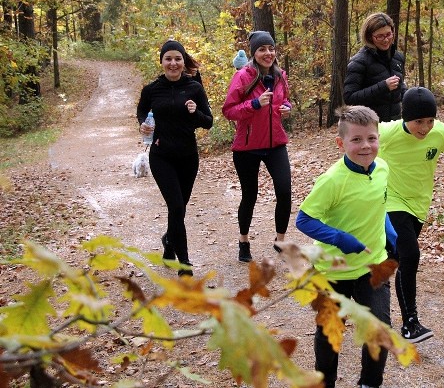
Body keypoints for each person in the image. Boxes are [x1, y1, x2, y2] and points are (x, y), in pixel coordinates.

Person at [296, 105, 397, 388]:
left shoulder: (383, 169)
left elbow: (380, 206)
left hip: (372, 265)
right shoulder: (332, 180)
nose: (366, 146)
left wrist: (392, 236)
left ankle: (369, 383)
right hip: (332, 270)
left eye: (371, 138)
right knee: (331, 331)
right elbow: (304, 220)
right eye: (356, 140)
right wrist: (341, 238)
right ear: (341, 143)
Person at [378, 86, 444, 343]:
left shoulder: (439, 132)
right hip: (390, 201)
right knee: (409, 254)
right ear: (404, 117)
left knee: (389, 259)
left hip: (419, 205)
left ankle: (360, 294)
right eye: (418, 121)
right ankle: (410, 323)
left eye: (430, 120)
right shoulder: (386, 133)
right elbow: (358, 141)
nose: (425, 127)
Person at [137, 40, 213, 277]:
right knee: (176, 206)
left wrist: (194, 111)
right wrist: (143, 126)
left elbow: (207, 122)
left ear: (183, 62)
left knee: (178, 210)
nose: (173, 63)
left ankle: (169, 242)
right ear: (161, 61)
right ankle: (185, 263)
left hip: (188, 157)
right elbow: (141, 112)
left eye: (177, 59)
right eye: (168, 58)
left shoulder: (194, 88)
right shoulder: (151, 90)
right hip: (161, 156)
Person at [223, 31, 293, 263]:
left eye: (271, 48)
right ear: (254, 53)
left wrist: (286, 107)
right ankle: (244, 241)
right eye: (262, 49)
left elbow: (285, 99)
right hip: (247, 147)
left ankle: (280, 240)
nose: (268, 53)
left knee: (284, 191)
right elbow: (229, 110)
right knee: (250, 195)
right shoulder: (243, 76)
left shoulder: (280, 75)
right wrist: (254, 104)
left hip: (275, 144)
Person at [343, 12, 407, 122]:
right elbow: (349, 98)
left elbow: (400, 89)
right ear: (370, 37)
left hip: (395, 124)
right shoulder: (359, 62)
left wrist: (413, 96)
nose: (386, 40)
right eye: (380, 36)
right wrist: (383, 86)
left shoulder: (398, 57)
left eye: (388, 34)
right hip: (369, 126)